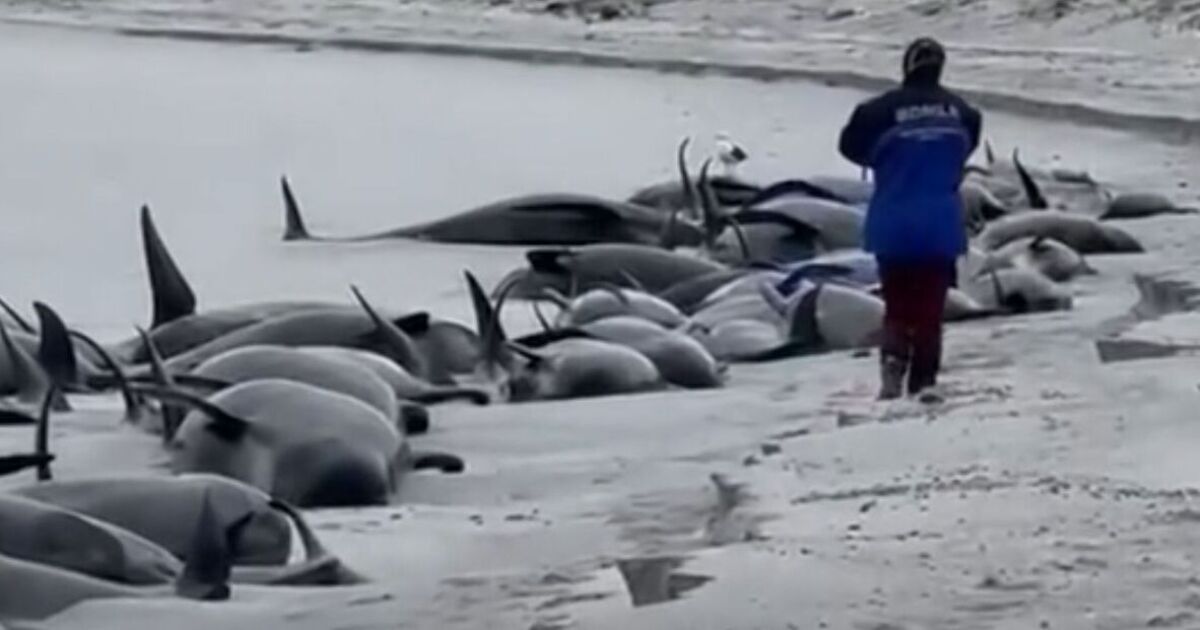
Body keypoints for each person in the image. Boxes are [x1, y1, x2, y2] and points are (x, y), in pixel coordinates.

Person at [837, 37, 983, 400]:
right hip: (940, 224)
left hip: (894, 221)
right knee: (931, 310)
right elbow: (967, 147)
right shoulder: (964, 112)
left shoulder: (877, 111)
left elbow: (849, 146)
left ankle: (892, 373)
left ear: (907, 66)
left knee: (898, 304)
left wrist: (883, 160)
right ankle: (924, 384)